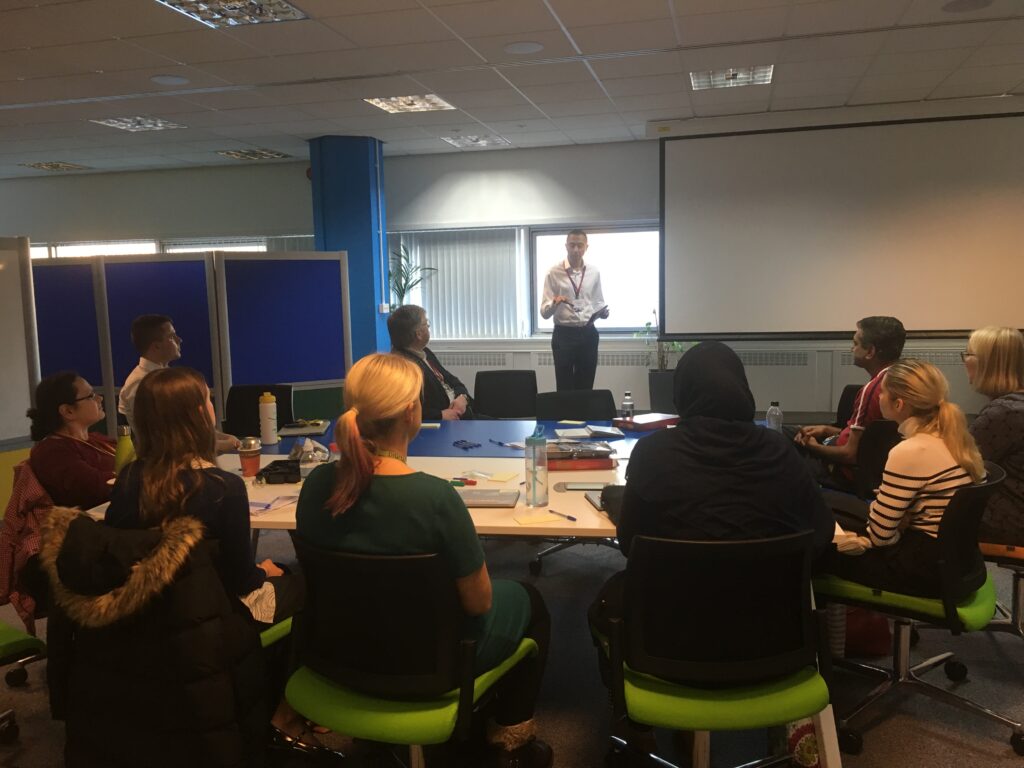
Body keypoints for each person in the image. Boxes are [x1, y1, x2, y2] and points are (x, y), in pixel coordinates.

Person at [296, 353, 552, 768]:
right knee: (531, 601)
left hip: (340, 653)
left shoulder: (317, 486)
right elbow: (479, 603)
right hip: (434, 662)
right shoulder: (435, 499)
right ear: (412, 411)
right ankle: (509, 730)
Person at [104, 366, 310, 743]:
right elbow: (241, 583)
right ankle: (289, 710)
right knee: (308, 580)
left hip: (146, 613)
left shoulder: (129, 480)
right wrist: (265, 572)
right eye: (208, 400)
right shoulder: (221, 487)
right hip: (215, 616)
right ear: (199, 416)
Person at [590, 341, 835, 636]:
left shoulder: (652, 453)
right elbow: (821, 532)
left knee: (602, 606)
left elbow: (629, 542)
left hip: (669, 638)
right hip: (772, 638)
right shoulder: (780, 450)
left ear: (681, 393)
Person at [830, 359, 985, 597]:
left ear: (899, 404)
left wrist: (887, 523)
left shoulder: (910, 450)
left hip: (921, 570)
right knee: (841, 513)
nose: (879, 397)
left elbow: (880, 538)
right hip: (958, 563)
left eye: (882, 392)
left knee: (815, 552)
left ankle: (832, 632)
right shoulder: (954, 438)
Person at [794, 316, 906, 485]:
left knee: (785, 447)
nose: (851, 349)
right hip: (879, 468)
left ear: (870, 352)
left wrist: (812, 447)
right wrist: (825, 429)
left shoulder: (873, 391)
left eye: (855, 344)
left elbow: (850, 454)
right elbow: (871, 440)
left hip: (846, 474)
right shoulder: (904, 379)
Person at [119, 314, 240, 452]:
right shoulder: (140, 384)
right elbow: (166, 440)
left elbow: (190, 429)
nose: (179, 340)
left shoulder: (166, 375)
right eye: (171, 337)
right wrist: (223, 445)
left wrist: (226, 438)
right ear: (156, 346)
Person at [963, 326, 1024, 545]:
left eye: (968, 354)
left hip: (1012, 522)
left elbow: (959, 463)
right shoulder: (1016, 404)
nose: (964, 361)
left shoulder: (1004, 412)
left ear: (989, 363)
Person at [27, 370, 115, 509]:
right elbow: (94, 487)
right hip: (90, 525)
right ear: (68, 411)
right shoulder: (51, 453)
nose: (100, 398)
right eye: (91, 396)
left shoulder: (95, 439)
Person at [540, 229, 609, 391]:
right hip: (564, 335)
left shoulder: (594, 272)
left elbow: (598, 302)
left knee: (586, 385)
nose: (576, 250)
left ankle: (583, 416)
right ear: (566, 246)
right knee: (564, 386)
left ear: (586, 247)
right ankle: (565, 416)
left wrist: (603, 313)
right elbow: (544, 312)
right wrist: (555, 303)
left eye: (580, 246)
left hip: (588, 333)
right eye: (572, 245)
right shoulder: (553, 272)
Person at [388, 304, 475, 421]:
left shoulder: (425, 352)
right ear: (418, 334)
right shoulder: (402, 366)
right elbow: (405, 411)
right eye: (426, 323)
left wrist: (463, 397)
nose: (428, 326)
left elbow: (452, 380)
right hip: (443, 426)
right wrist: (440, 415)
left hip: (462, 415)